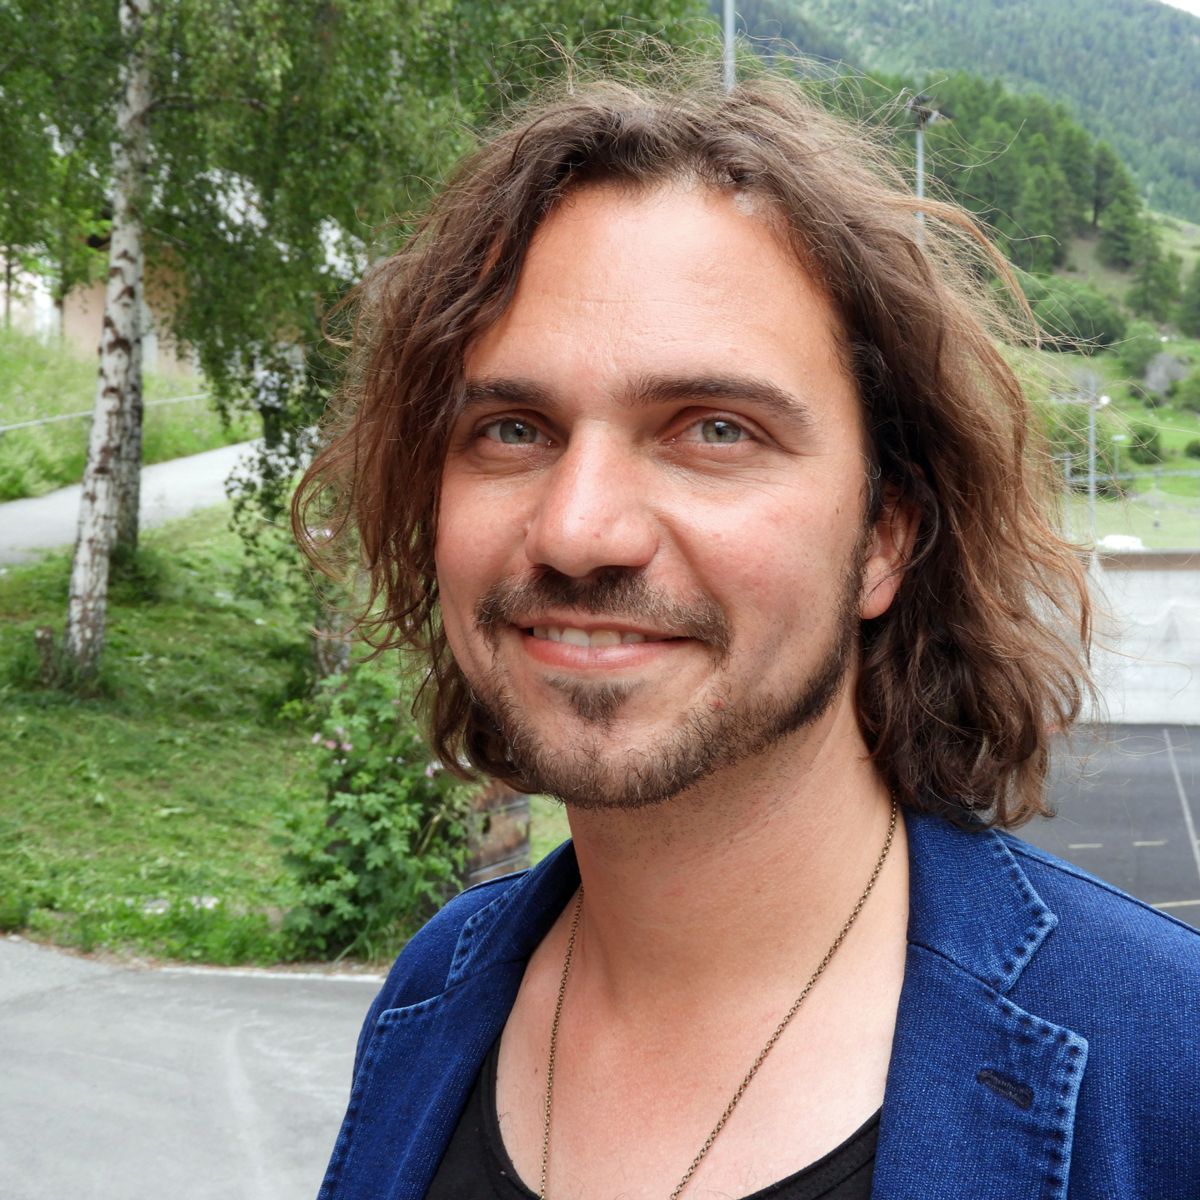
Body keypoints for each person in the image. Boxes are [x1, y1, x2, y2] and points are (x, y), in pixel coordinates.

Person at [295, 66, 1200, 1200]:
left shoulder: (1165, 1067)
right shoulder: (436, 994)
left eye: (714, 429)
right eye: (513, 428)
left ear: (884, 535)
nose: (577, 530)